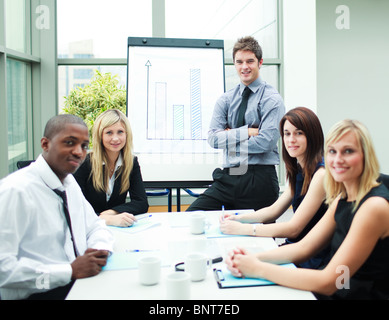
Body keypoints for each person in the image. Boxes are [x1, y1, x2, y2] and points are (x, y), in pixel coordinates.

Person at [226, 119, 389, 299]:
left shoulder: (374, 207)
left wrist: (258, 269)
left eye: (348, 151)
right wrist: (253, 257)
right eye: (332, 151)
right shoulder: (344, 196)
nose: (337, 160)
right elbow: (304, 247)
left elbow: (329, 282)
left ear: (367, 155)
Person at [0, 114, 114, 300]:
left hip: (77, 285)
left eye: (84, 146)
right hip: (38, 294)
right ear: (45, 144)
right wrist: (68, 271)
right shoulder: (16, 191)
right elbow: (3, 271)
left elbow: (95, 226)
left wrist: (98, 250)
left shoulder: (69, 183)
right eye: (70, 142)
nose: (79, 152)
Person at [220, 107, 329, 269]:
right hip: (295, 247)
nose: (291, 139)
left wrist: (245, 228)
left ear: (312, 136)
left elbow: (294, 228)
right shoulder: (299, 169)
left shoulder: (321, 175)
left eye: (299, 133)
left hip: (312, 255)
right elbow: (274, 209)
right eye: (287, 134)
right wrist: (238, 218)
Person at [186, 36, 285, 212]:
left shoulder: (272, 99)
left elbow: (266, 142)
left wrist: (230, 137)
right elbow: (213, 139)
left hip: (259, 179)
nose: (244, 67)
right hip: (229, 177)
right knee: (192, 216)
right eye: (239, 62)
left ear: (260, 62)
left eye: (250, 61)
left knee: (258, 237)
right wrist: (247, 131)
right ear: (234, 64)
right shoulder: (226, 99)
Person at [74, 109, 148, 227]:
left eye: (120, 132)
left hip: (117, 230)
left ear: (126, 134)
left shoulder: (131, 162)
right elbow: (75, 207)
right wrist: (105, 219)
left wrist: (111, 213)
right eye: (109, 132)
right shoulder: (84, 163)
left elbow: (141, 203)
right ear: (100, 136)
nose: (115, 138)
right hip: (86, 230)